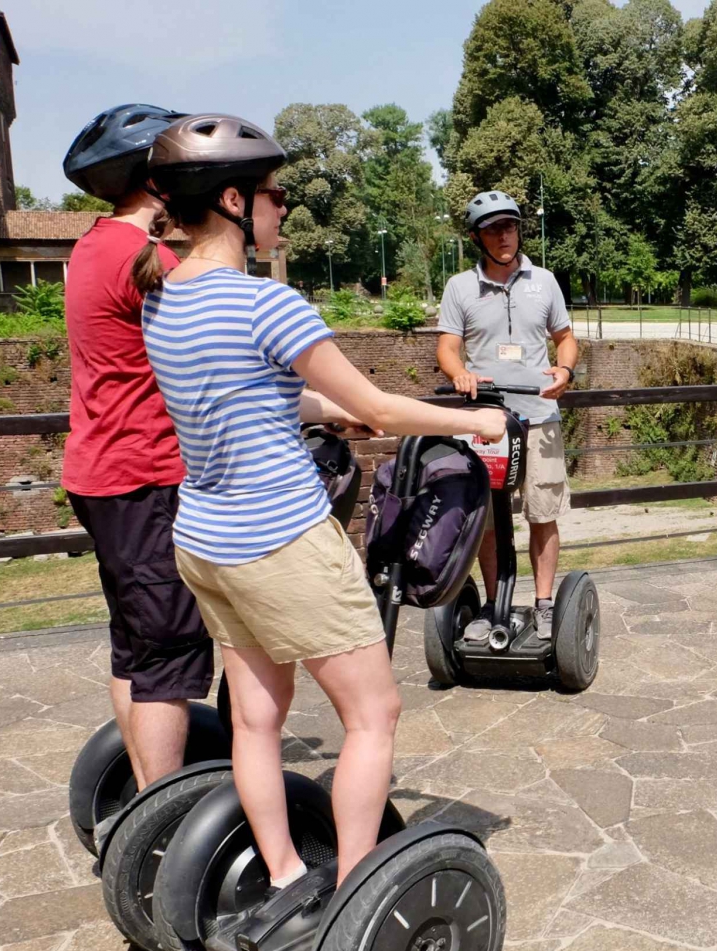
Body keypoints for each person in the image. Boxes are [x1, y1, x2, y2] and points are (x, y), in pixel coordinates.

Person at [132, 114, 507, 888]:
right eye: (275, 197)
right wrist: (475, 419)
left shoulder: (161, 297)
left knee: (254, 718)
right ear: (235, 201)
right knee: (374, 714)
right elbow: (383, 409)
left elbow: (228, 392)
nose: (281, 210)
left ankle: (283, 870)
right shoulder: (270, 304)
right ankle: (356, 888)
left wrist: (310, 406)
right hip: (283, 540)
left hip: (205, 539)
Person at [60, 103, 213, 791]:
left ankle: (143, 801)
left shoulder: (91, 246)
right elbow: (215, 354)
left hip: (99, 473)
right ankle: (161, 821)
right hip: (144, 474)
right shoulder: (147, 260)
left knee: (132, 647)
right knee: (166, 656)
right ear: (156, 177)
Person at [435, 191, 579, 643]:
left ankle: (543, 603)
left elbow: (566, 337)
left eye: (510, 226)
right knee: (488, 520)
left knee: (542, 512)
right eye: (494, 228)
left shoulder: (545, 281)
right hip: (488, 423)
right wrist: (459, 374)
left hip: (539, 415)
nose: (504, 236)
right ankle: (495, 603)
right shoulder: (461, 287)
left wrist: (565, 369)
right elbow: (447, 348)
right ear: (477, 236)